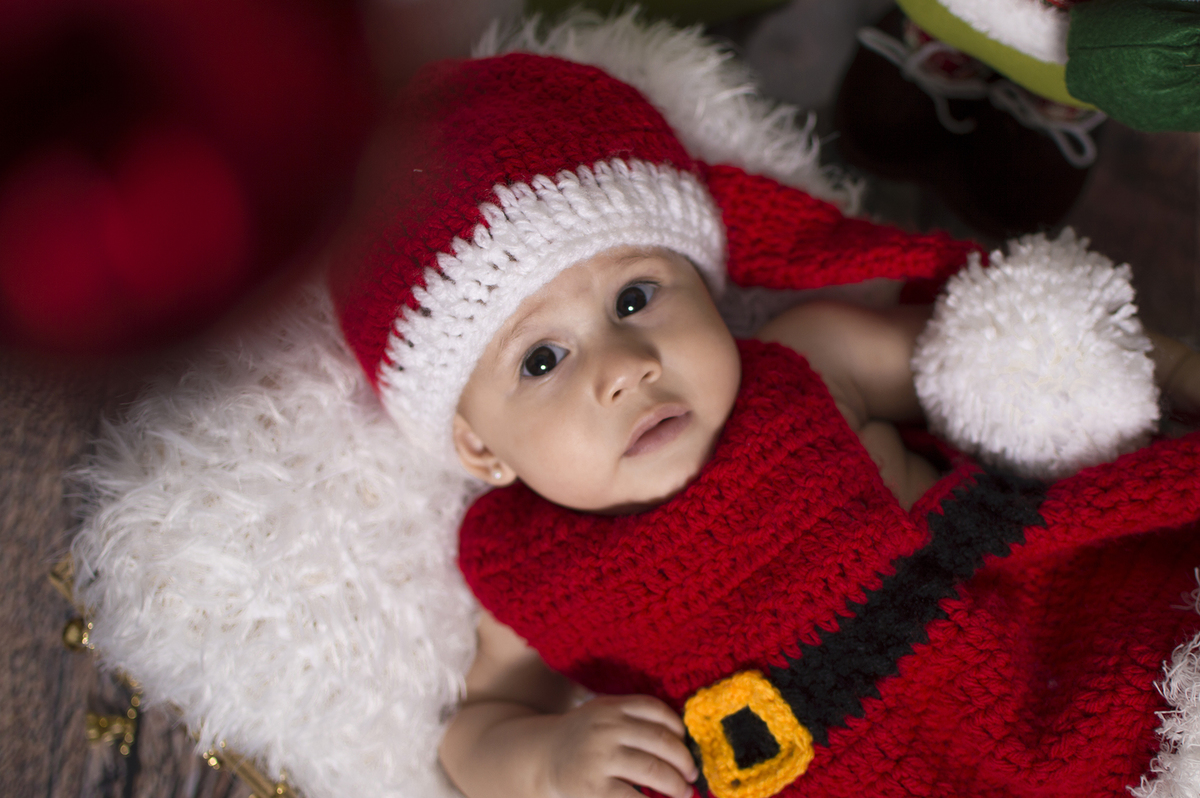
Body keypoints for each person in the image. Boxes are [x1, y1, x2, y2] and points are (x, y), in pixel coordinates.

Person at [329, 39, 1200, 798]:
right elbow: (476, 730)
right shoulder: (531, 569)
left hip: (1042, 661)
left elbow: (1019, 350)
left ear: (703, 286)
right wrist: (549, 759)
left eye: (636, 297)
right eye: (541, 360)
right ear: (480, 447)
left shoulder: (809, 363)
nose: (626, 369)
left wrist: (1170, 369)